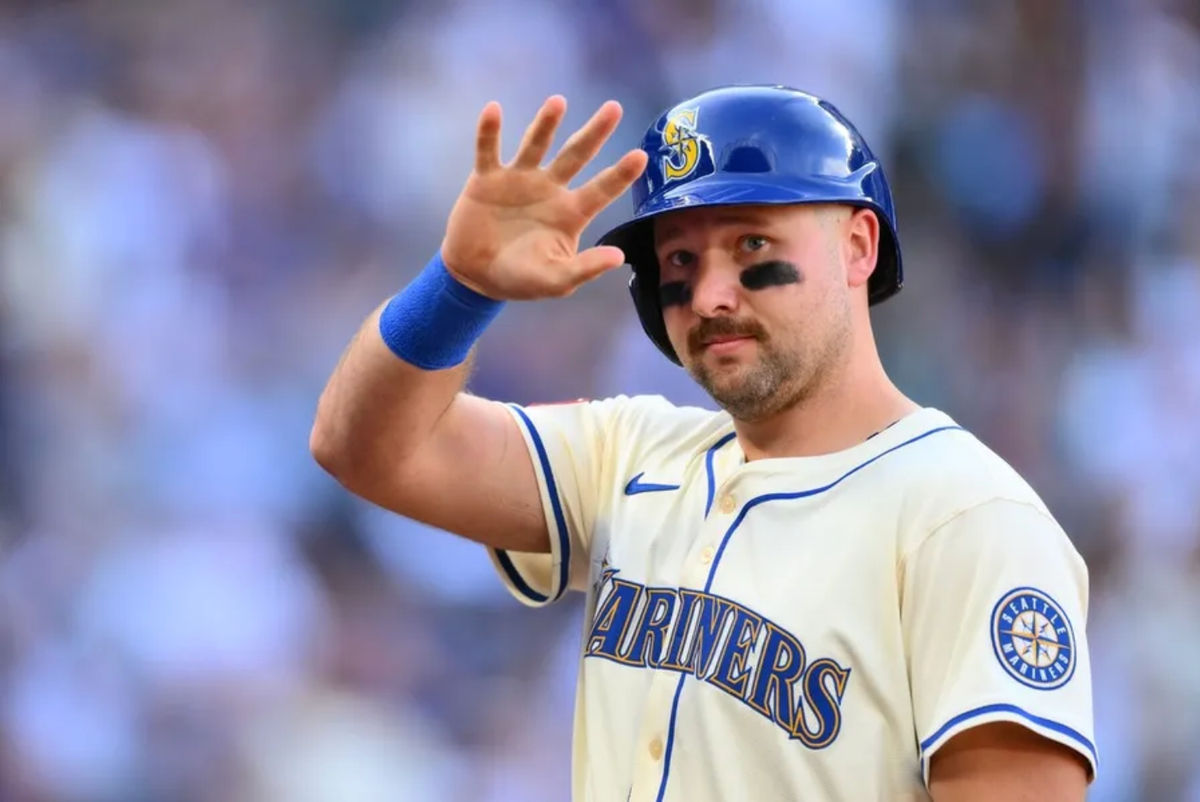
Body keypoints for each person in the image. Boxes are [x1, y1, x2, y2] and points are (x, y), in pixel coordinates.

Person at [310, 85, 1095, 801]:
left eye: (752, 245)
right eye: (681, 260)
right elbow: (367, 448)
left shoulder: (967, 518)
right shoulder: (631, 455)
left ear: (858, 246)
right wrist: (460, 288)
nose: (711, 294)